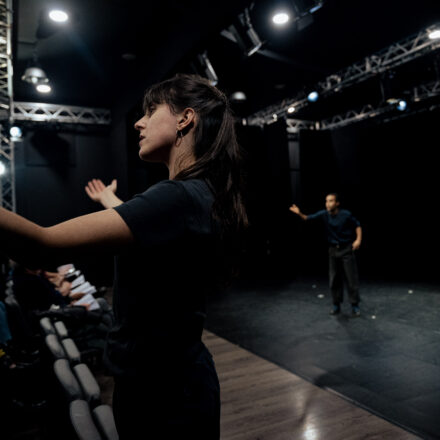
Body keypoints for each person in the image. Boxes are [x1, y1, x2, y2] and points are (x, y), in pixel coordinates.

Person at [0, 74, 247, 439]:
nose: (138, 123)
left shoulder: (176, 198)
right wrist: (109, 200)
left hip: (164, 395)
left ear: (185, 119)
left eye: (151, 110)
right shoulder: (195, 194)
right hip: (173, 383)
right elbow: (144, 223)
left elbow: (43, 246)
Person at [289, 193, 362, 317]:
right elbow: (307, 218)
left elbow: (357, 225)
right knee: (334, 279)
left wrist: (358, 240)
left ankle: (355, 305)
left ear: (337, 203)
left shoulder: (345, 214)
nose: (328, 203)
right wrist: (299, 213)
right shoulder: (324, 214)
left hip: (346, 249)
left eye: (331, 201)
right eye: (326, 201)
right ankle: (336, 304)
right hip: (333, 251)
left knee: (351, 279)